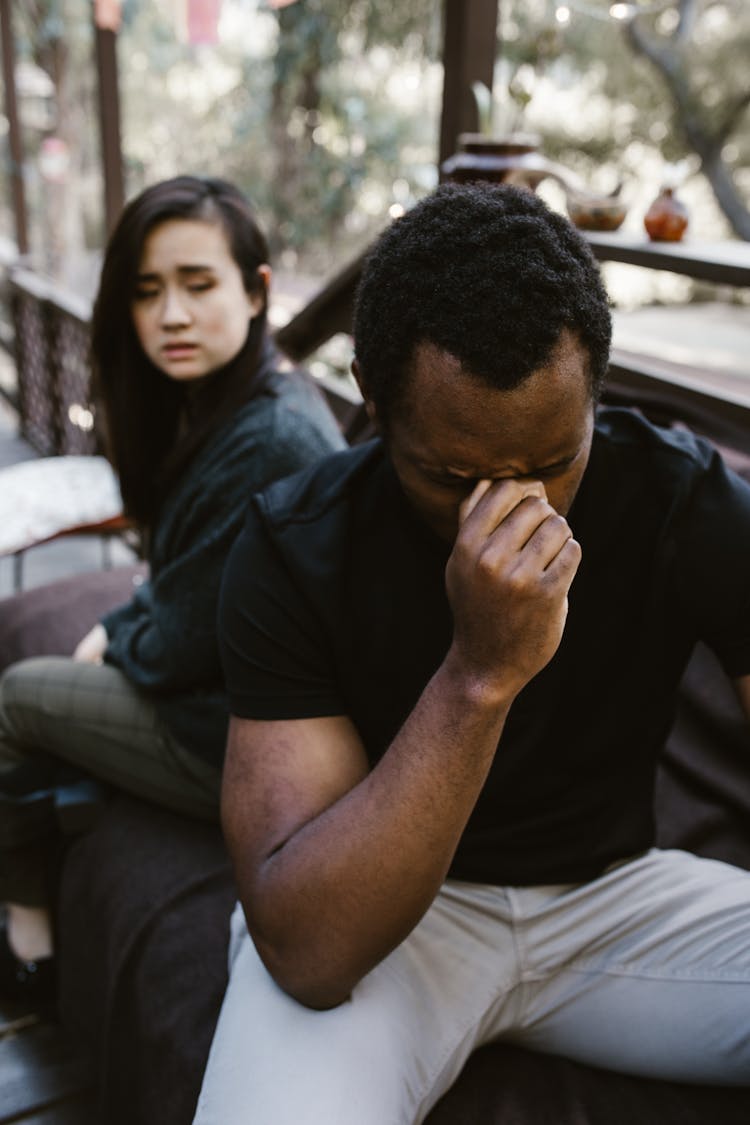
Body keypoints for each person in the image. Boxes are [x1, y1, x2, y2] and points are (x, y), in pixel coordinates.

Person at [194, 182, 750, 1124]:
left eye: (550, 462)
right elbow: (308, 945)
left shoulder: (681, 499)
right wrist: (480, 672)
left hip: (614, 900)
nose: (511, 512)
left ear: (596, 395)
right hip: (396, 924)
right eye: (453, 477)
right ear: (373, 400)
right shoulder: (294, 543)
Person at [0, 174, 345, 1010]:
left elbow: (179, 641)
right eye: (148, 291)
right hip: (236, 691)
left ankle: (27, 932)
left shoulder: (270, 437)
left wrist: (115, 635)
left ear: (257, 291)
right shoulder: (225, 400)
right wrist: (132, 620)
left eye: (199, 284)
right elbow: (184, 587)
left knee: (15, 696)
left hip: (252, 739)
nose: (172, 315)